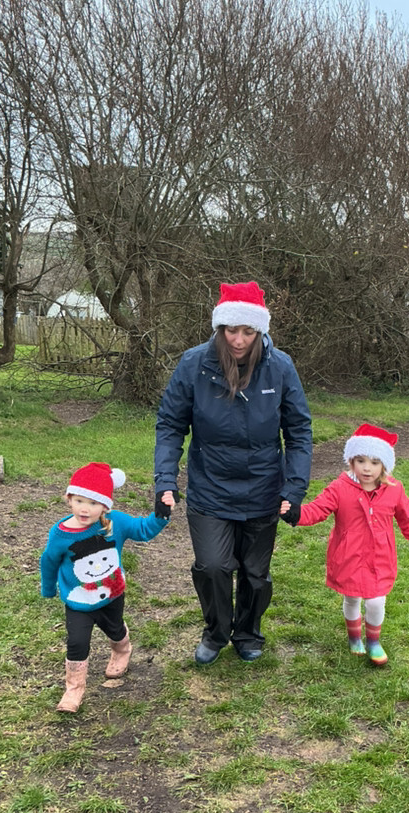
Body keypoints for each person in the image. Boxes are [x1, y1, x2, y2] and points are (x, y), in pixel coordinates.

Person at [155, 281, 312, 665]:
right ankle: (216, 632)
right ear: (219, 327)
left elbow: (298, 430)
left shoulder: (280, 367)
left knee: (255, 574)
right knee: (213, 566)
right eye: (231, 330)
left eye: (247, 331)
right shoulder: (194, 364)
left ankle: (248, 632)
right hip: (210, 488)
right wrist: (165, 480)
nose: (238, 340)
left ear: (260, 331)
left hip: (263, 489)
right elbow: (171, 424)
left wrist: (294, 488)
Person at [280, 424, 409, 666]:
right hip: (348, 555)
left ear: (384, 465)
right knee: (352, 598)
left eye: (374, 462)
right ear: (351, 461)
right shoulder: (339, 488)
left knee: (376, 600)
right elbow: (318, 509)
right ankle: (354, 637)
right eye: (360, 460)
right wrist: (296, 514)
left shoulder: (394, 490)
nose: (367, 468)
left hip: (380, 557)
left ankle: (373, 641)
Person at [40, 462, 172, 712]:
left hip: (112, 595)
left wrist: (161, 514)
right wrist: (48, 588)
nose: (85, 508)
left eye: (93, 503)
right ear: (69, 499)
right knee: (76, 642)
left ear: (105, 506)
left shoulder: (115, 522)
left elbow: (142, 530)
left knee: (114, 629)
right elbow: (49, 561)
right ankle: (74, 689)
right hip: (78, 601)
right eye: (79, 501)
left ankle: (122, 650)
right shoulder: (60, 534)